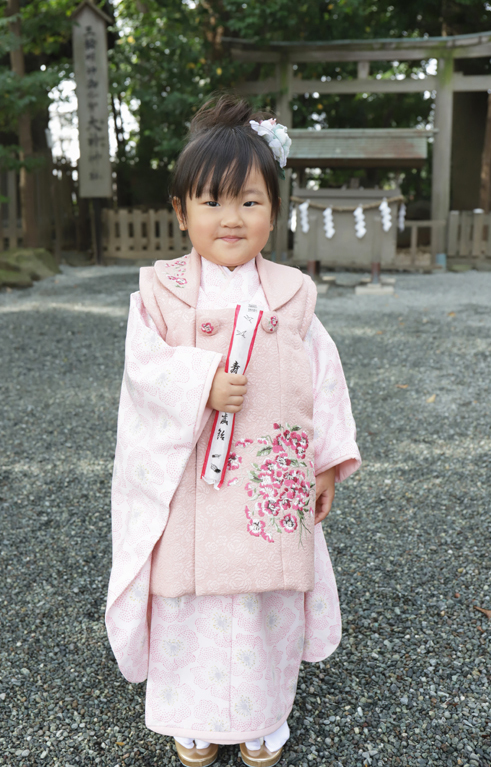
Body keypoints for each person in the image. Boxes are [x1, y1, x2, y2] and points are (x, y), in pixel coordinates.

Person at [105, 95, 361, 767]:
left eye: (250, 201)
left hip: (262, 490)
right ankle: (190, 713)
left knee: (263, 598)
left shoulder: (291, 295)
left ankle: (262, 714)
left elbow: (322, 378)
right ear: (180, 211)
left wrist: (327, 462)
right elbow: (143, 372)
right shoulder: (160, 294)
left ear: (273, 211)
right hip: (190, 487)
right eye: (212, 201)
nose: (231, 218)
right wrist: (199, 383)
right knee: (188, 599)